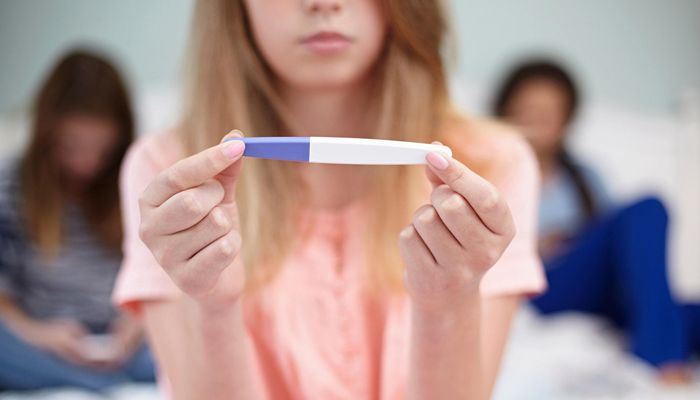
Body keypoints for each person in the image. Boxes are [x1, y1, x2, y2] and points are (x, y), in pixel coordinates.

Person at [113, 1, 546, 399]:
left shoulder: (489, 169)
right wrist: (212, 309)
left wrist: (449, 302)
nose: (323, 3)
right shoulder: (171, 178)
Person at [492, 59, 693, 382]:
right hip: (541, 285)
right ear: (506, 111)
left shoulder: (586, 179)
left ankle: (658, 339)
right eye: (527, 110)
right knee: (649, 207)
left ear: (566, 121)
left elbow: (619, 245)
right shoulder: (492, 174)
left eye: (548, 113)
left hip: (597, 289)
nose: (536, 123)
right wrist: (537, 247)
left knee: (682, 310)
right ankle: (660, 361)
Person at [0, 50, 155, 391]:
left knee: (188, 332)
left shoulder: (136, 178)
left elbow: (157, 276)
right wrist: (41, 335)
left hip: (126, 342)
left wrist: (135, 324)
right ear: (48, 134)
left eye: (101, 150)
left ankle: (92, 382)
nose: (86, 164)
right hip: (43, 339)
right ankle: (95, 384)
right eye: (71, 147)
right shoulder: (11, 184)